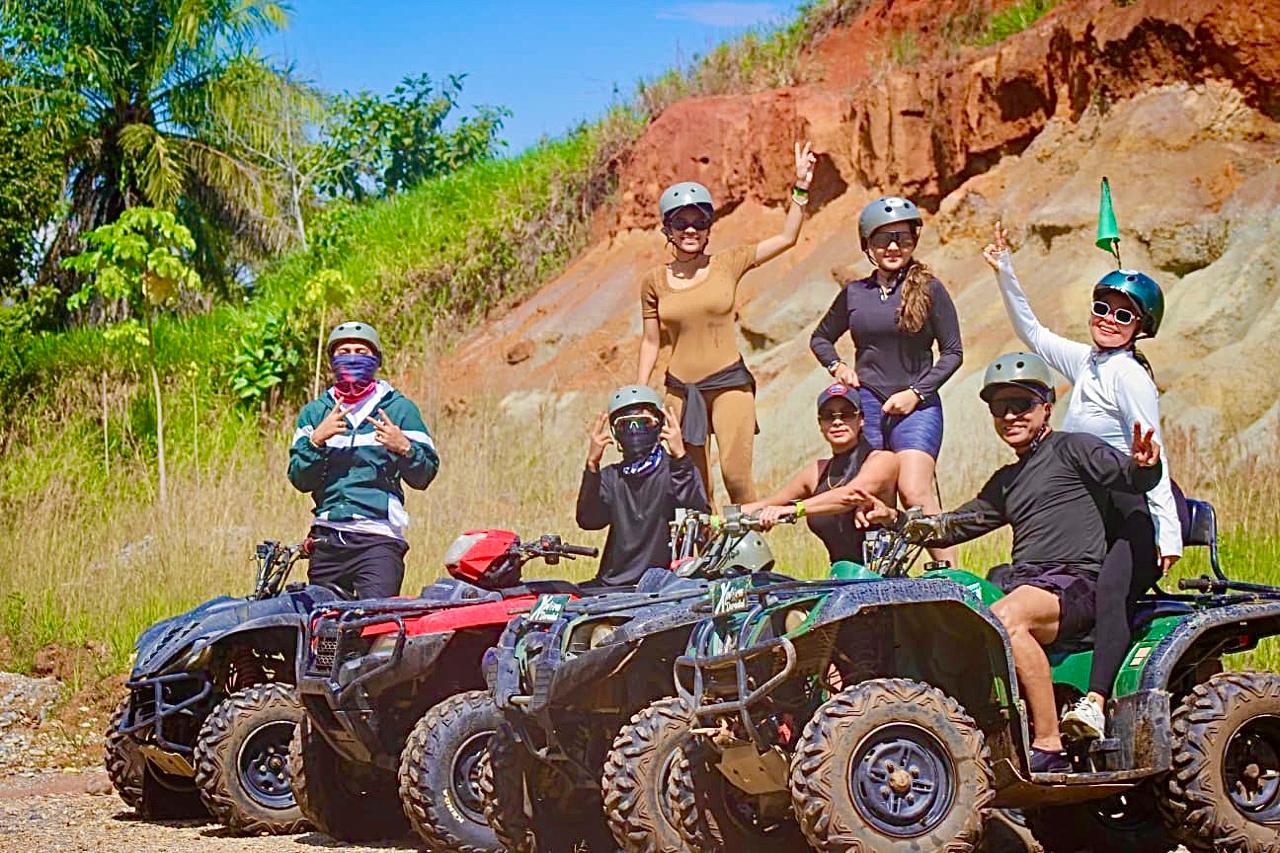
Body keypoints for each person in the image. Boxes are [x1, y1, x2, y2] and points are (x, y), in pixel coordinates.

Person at [855, 352, 1163, 773]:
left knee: (1005, 617)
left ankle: (1049, 744)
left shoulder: (1074, 449)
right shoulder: (1007, 481)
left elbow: (1129, 475)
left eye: (1023, 404)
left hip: (1075, 585)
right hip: (1029, 583)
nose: (1011, 415)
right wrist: (892, 518)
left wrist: (1147, 466)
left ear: (1047, 407)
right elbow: (952, 525)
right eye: (1001, 408)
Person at [982, 222, 1184, 742]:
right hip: (1095, 506)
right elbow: (1035, 335)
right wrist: (1006, 273)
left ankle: (1094, 703)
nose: (1109, 320)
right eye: (1103, 308)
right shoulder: (1089, 362)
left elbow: (1149, 452)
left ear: (1141, 326)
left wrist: (1166, 530)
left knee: (1110, 591)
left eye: (1124, 315)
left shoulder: (1129, 376)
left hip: (1133, 502)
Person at [637, 141, 818, 505]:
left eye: (699, 221)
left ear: (709, 226)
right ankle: (699, 559)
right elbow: (651, 342)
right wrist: (639, 395)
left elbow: (786, 238)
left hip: (728, 384)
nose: (691, 230)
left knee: (736, 477)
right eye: (681, 223)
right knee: (692, 488)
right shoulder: (653, 280)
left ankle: (747, 554)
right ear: (667, 230)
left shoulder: (727, 263)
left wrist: (800, 187)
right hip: (679, 391)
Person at [810, 196, 963, 561]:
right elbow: (820, 338)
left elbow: (954, 352)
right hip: (868, 405)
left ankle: (952, 578)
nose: (893, 247)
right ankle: (886, 579)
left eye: (903, 238)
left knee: (914, 491)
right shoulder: (854, 293)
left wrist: (915, 392)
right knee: (872, 496)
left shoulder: (930, 289)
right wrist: (838, 368)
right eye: (883, 239)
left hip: (917, 406)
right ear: (867, 245)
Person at [288, 321, 439, 599]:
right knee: (325, 628)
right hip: (327, 538)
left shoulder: (399, 409)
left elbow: (425, 476)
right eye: (344, 351)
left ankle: (366, 644)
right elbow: (300, 479)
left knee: (374, 625)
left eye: (361, 351)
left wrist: (404, 447)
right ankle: (330, 646)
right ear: (333, 360)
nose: (353, 357)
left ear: (376, 360)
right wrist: (315, 441)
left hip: (379, 539)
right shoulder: (315, 412)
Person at [740, 383, 898, 565]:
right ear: (820, 424)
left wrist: (794, 509)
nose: (837, 422)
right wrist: (716, 520)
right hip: (839, 580)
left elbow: (851, 495)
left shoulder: (883, 460)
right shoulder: (818, 471)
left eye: (846, 414)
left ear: (861, 419)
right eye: (829, 416)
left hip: (882, 579)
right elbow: (768, 503)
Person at [577, 385, 711, 587]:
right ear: (615, 432)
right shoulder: (611, 477)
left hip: (664, 584)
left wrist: (681, 457)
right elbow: (589, 520)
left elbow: (698, 510)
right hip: (614, 585)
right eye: (625, 425)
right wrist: (592, 466)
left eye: (643, 423)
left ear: (660, 426)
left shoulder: (675, 470)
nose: (635, 431)